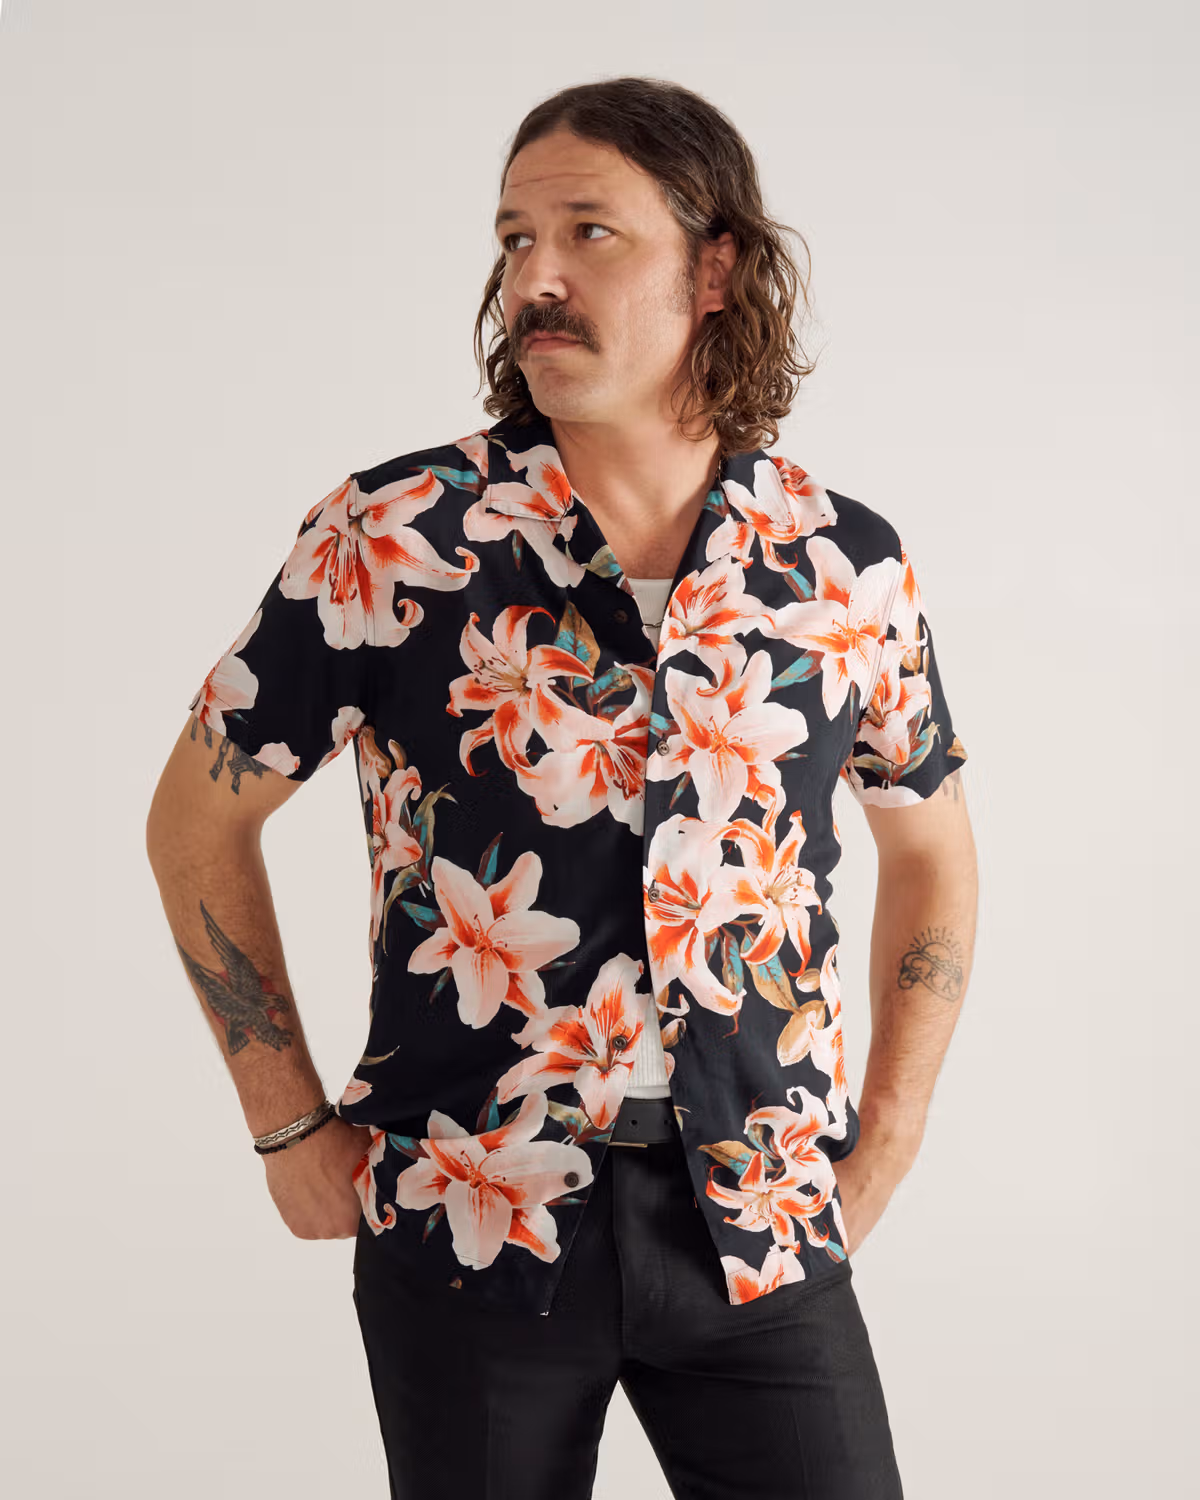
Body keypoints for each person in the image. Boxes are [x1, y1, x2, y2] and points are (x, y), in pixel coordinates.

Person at [147, 75, 978, 1500]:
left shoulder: (842, 563)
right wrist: (284, 1119)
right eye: (515, 237)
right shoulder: (399, 535)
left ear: (715, 267)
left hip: (761, 1222)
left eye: (590, 232)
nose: (537, 274)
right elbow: (197, 818)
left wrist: (888, 1137)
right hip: (473, 1220)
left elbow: (934, 852)